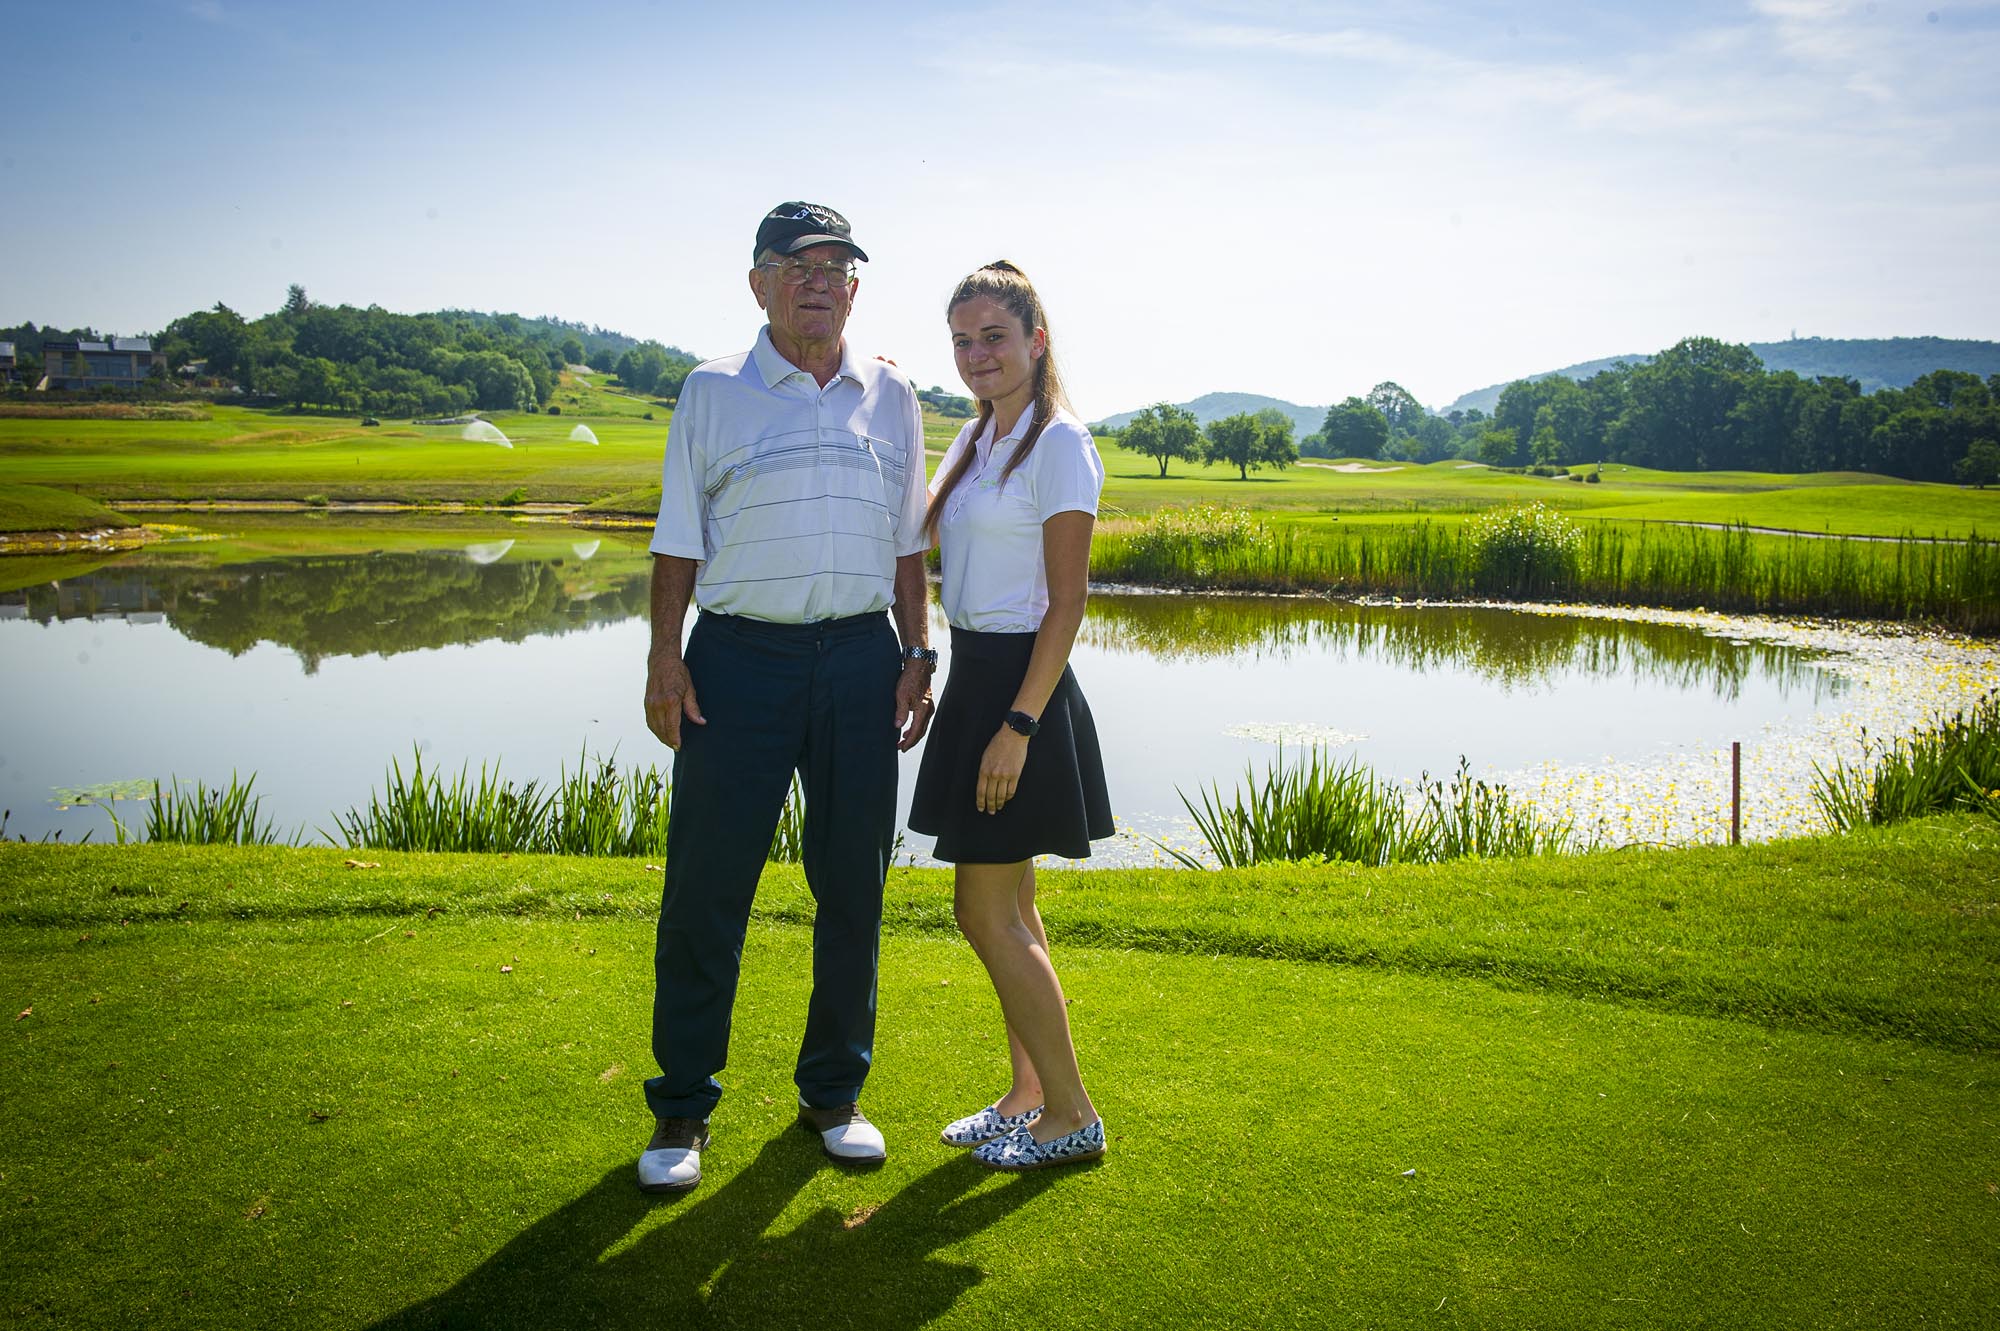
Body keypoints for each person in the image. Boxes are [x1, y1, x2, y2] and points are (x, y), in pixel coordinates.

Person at [637, 202, 937, 1195]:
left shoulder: (891, 395)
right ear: (758, 282)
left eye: (836, 266)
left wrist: (916, 650)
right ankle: (682, 1105)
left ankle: (832, 1095)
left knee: (853, 885)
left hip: (859, 659)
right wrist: (662, 657)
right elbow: (678, 535)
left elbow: (906, 545)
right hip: (736, 662)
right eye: (795, 264)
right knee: (705, 893)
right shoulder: (711, 390)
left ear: (854, 286)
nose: (818, 280)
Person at [907, 260, 1113, 1171]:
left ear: (1035, 340)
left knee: (984, 912)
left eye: (993, 336)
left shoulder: (1059, 443)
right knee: (1016, 908)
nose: (975, 354)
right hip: (975, 677)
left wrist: (1018, 726)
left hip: (1021, 692)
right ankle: (1029, 1094)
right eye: (960, 339)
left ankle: (1072, 1114)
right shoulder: (976, 436)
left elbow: (1066, 603)